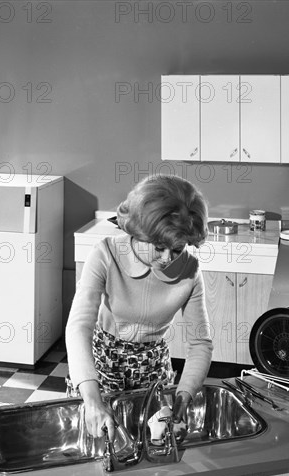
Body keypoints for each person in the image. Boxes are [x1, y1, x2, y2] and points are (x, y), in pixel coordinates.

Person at [65, 174, 213, 442]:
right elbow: (79, 326)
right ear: (139, 231)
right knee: (99, 448)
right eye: (159, 247)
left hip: (154, 368)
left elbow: (200, 343)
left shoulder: (190, 270)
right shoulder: (105, 255)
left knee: (150, 451)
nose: (168, 259)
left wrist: (183, 397)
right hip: (101, 365)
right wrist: (91, 399)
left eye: (177, 249)